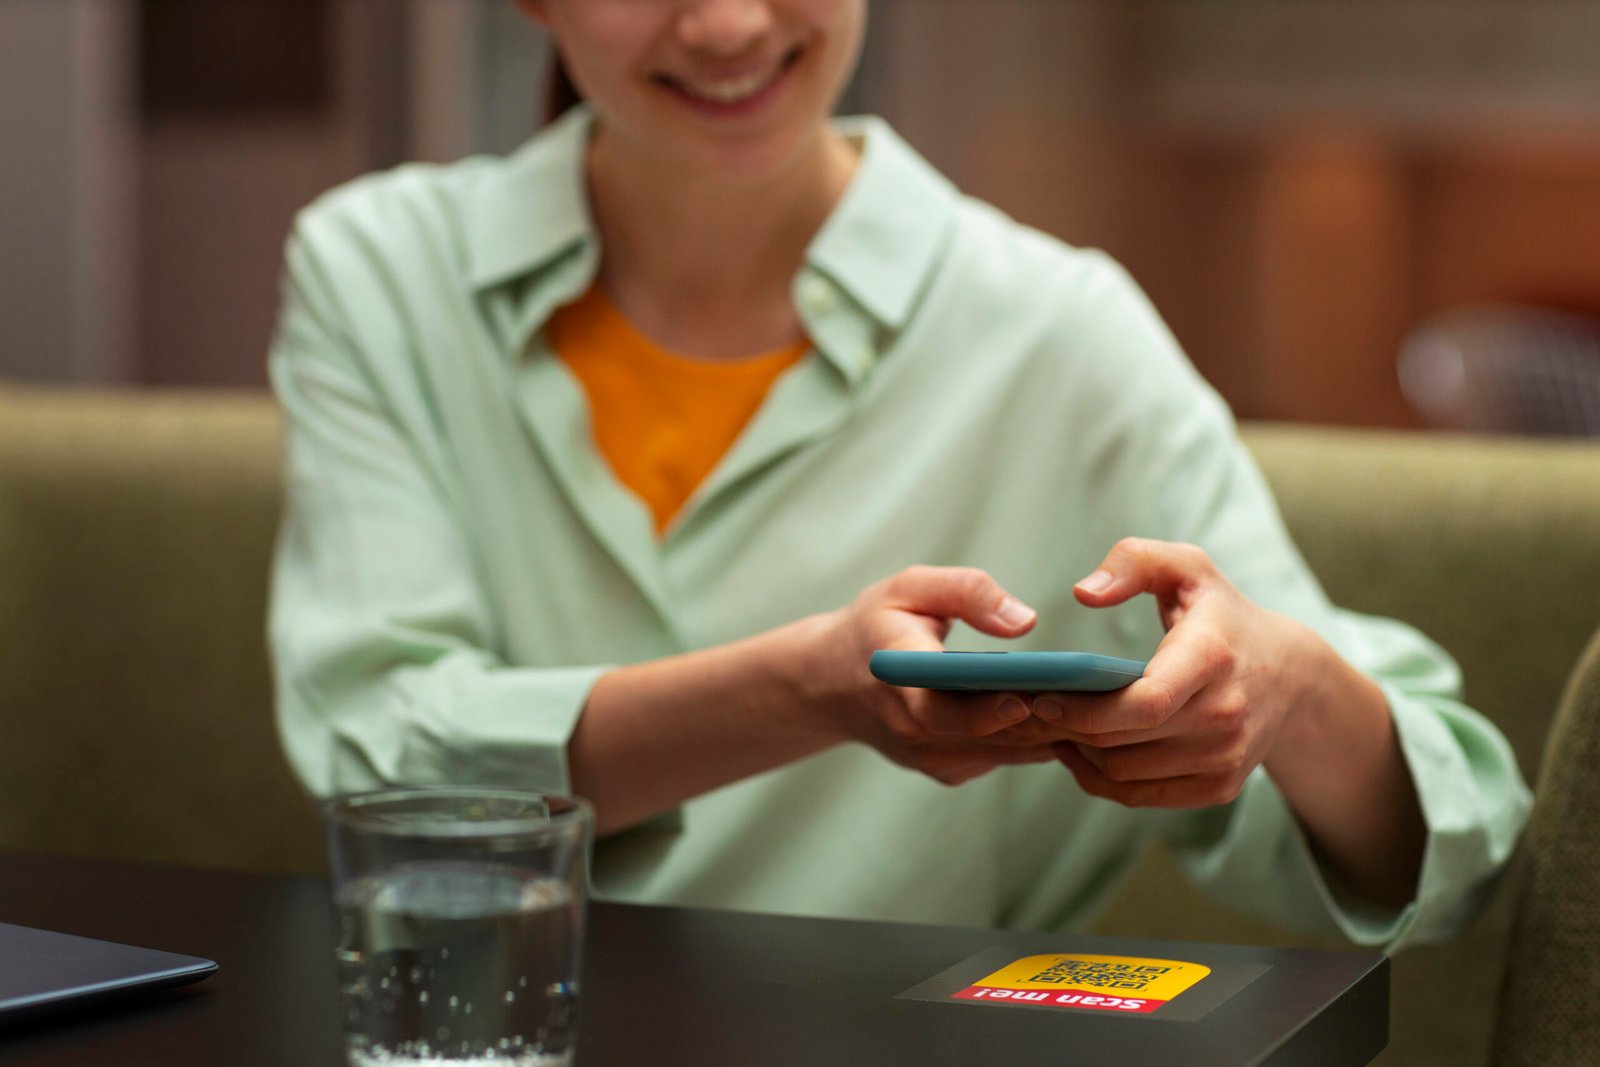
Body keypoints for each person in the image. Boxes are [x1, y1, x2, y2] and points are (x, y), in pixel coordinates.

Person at [268, 0, 1528, 949]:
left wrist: (1288, 691)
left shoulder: (1059, 330)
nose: (726, 24)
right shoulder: (379, 274)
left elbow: (1459, 835)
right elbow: (379, 762)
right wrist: (808, 685)